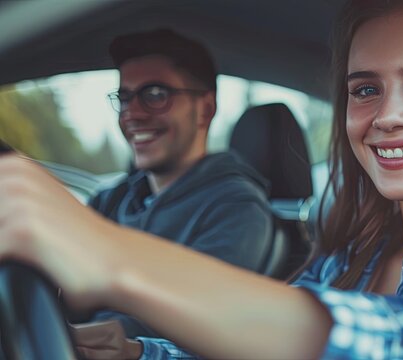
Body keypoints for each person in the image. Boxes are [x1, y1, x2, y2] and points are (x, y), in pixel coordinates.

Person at [0, 0, 403, 359]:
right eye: (364, 89)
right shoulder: (351, 252)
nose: (389, 115)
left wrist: (113, 258)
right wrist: (142, 353)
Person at [76, 28, 274, 337]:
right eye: (125, 98)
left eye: (155, 95)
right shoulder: (109, 201)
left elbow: (193, 319)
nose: (132, 114)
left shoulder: (236, 208)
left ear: (205, 110)